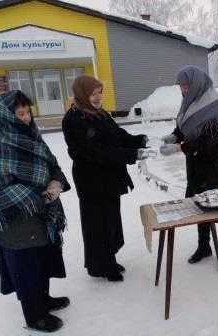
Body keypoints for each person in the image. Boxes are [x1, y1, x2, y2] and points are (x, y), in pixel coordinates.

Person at [0, 91, 70, 332]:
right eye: (19, 113)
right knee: (25, 263)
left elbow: (50, 163)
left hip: (40, 209)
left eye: (28, 112)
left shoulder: (29, 134)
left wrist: (56, 182)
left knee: (42, 256)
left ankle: (44, 299)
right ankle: (34, 316)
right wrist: (40, 197)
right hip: (12, 214)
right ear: (5, 114)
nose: (26, 118)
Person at [160, 66, 218, 269]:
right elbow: (187, 125)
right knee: (200, 205)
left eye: (185, 85)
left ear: (196, 84)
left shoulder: (213, 104)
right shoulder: (190, 100)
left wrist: (179, 147)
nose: (182, 90)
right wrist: (175, 135)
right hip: (198, 164)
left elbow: (209, 138)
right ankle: (204, 246)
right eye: (180, 86)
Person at [62, 75, 147, 282]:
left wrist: (139, 141)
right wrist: (129, 155)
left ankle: (108, 257)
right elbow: (93, 152)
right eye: (93, 93)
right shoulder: (73, 119)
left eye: (100, 92)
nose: (98, 97)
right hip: (91, 181)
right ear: (82, 94)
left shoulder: (100, 114)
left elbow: (117, 134)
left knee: (111, 221)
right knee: (96, 224)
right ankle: (103, 265)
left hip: (109, 176)